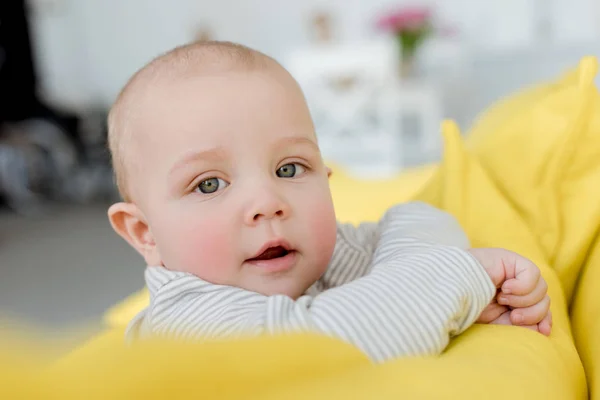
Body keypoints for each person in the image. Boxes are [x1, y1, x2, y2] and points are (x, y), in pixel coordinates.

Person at [106, 41, 551, 363]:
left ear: (326, 178)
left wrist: (428, 285)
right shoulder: (185, 323)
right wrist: (455, 277)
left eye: (289, 169)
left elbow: (422, 219)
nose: (267, 202)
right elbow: (332, 345)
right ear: (146, 234)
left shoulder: (320, 253)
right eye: (209, 185)